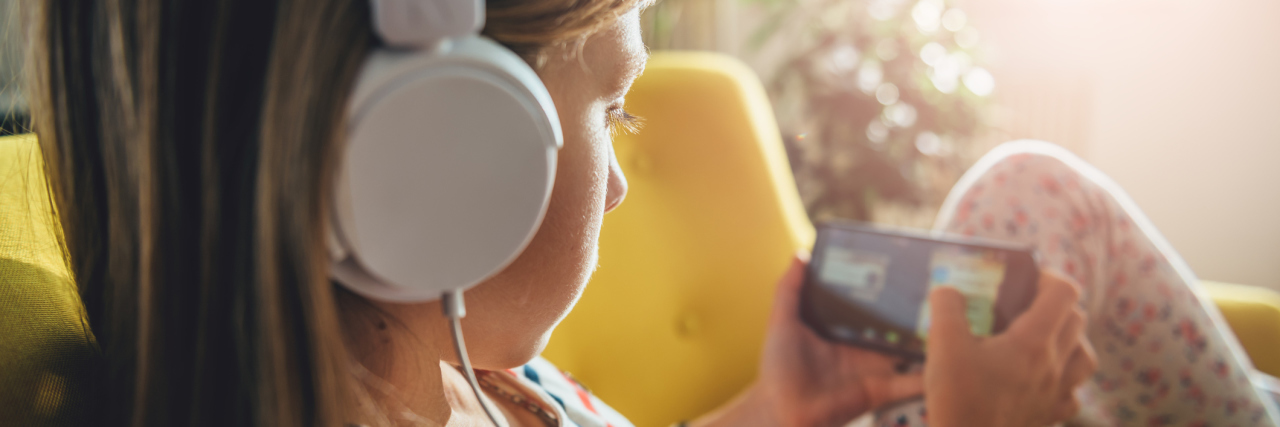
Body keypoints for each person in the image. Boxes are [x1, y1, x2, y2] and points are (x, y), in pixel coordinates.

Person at [20, 0, 1259, 425]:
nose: (616, 174)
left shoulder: (446, 368)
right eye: (608, 111)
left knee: (1021, 202)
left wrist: (774, 406)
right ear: (425, 157)